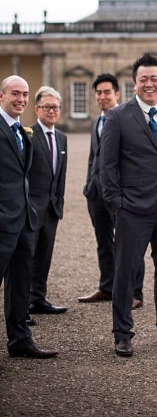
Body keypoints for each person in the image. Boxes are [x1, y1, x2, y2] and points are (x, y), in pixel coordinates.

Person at [100, 53, 157, 357]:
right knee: (125, 271)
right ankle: (123, 332)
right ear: (135, 83)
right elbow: (107, 166)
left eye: (154, 78)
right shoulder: (117, 116)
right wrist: (118, 204)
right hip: (133, 209)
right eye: (144, 79)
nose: (149, 84)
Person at [0, 75, 57, 359]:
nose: (21, 99)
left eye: (24, 94)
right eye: (15, 94)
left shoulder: (21, 130)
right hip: (2, 221)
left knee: (21, 283)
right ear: (1, 96)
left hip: (24, 220)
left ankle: (20, 340)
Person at [78, 73, 143, 308]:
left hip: (120, 193)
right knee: (104, 242)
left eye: (107, 92)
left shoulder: (128, 119)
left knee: (130, 243)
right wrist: (88, 185)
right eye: (98, 93)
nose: (102, 97)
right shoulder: (97, 121)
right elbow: (94, 156)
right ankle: (107, 286)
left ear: (117, 94)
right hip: (96, 193)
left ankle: (136, 293)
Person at [28, 87, 68, 316]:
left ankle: (38, 299)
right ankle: (21, 308)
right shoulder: (28, 134)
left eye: (55, 107)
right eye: (47, 107)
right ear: (37, 109)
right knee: (26, 258)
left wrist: (59, 201)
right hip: (32, 208)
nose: (52, 111)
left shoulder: (61, 137)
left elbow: (60, 175)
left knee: (44, 257)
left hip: (52, 209)